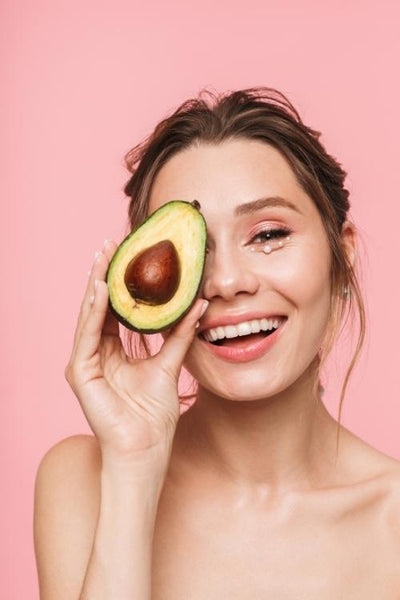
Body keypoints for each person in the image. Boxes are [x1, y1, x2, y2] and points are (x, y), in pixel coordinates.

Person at [34, 87, 400, 599]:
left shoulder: (393, 525)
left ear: (342, 256)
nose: (227, 282)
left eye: (268, 234)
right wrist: (134, 470)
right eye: (193, 250)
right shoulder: (84, 482)